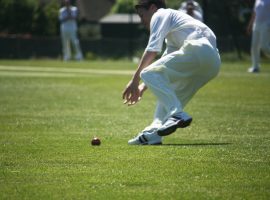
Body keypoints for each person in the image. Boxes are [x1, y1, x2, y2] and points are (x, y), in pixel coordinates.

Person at [122, 0, 221, 145]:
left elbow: (152, 50)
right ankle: (154, 133)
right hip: (212, 63)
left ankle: (177, 115)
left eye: (142, 15)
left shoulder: (160, 14)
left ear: (153, 8)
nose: (142, 20)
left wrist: (135, 80)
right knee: (170, 97)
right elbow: (163, 63)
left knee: (147, 73)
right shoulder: (175, 29)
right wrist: (143, 87)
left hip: (198, 49)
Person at [247, 0, 270, 73]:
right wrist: (250, 25)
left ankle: (255, 66)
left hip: (266, 24)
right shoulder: (257, 0)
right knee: (254, 47)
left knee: (264, 46)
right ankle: (255, 67)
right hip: (256, 25)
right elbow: (254, 13)